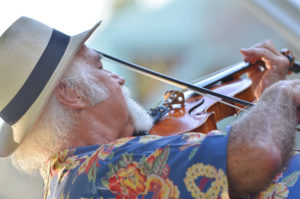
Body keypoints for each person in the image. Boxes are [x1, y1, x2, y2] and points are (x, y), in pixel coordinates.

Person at [0, 16, 299, 199]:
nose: (117, 78)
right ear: (71, 94)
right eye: (101, 67)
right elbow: (258, 154)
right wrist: (280, 96)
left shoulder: (68, 182)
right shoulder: (103, 169)